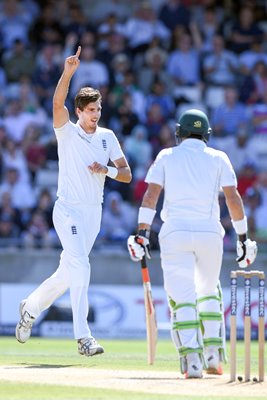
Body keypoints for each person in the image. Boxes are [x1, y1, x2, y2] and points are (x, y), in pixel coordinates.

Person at [15, 46, 132, 356]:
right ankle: (83, 336)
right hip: (67, 209)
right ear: (79, 111)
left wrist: (105, 169)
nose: (95, 115)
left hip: (94, 213)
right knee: (81, 264)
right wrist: (68, 72)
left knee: (69, 273)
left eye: (98, 110)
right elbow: (56, 102)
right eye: (90, 110)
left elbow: (127, 174)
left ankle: (30, 307)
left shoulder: (107, 137)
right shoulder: (66, 132)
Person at [127, 109, 257, 379]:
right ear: (207, 134)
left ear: (179, 133)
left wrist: (142, 233)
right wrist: (244, 238)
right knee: (209, 290)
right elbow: (233, 199)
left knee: (183, 296)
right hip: (210, 233)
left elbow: (151, 195)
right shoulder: (219, 157)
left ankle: (192, 360)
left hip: (175, 233)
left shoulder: (166, 155)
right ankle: (212, 355)